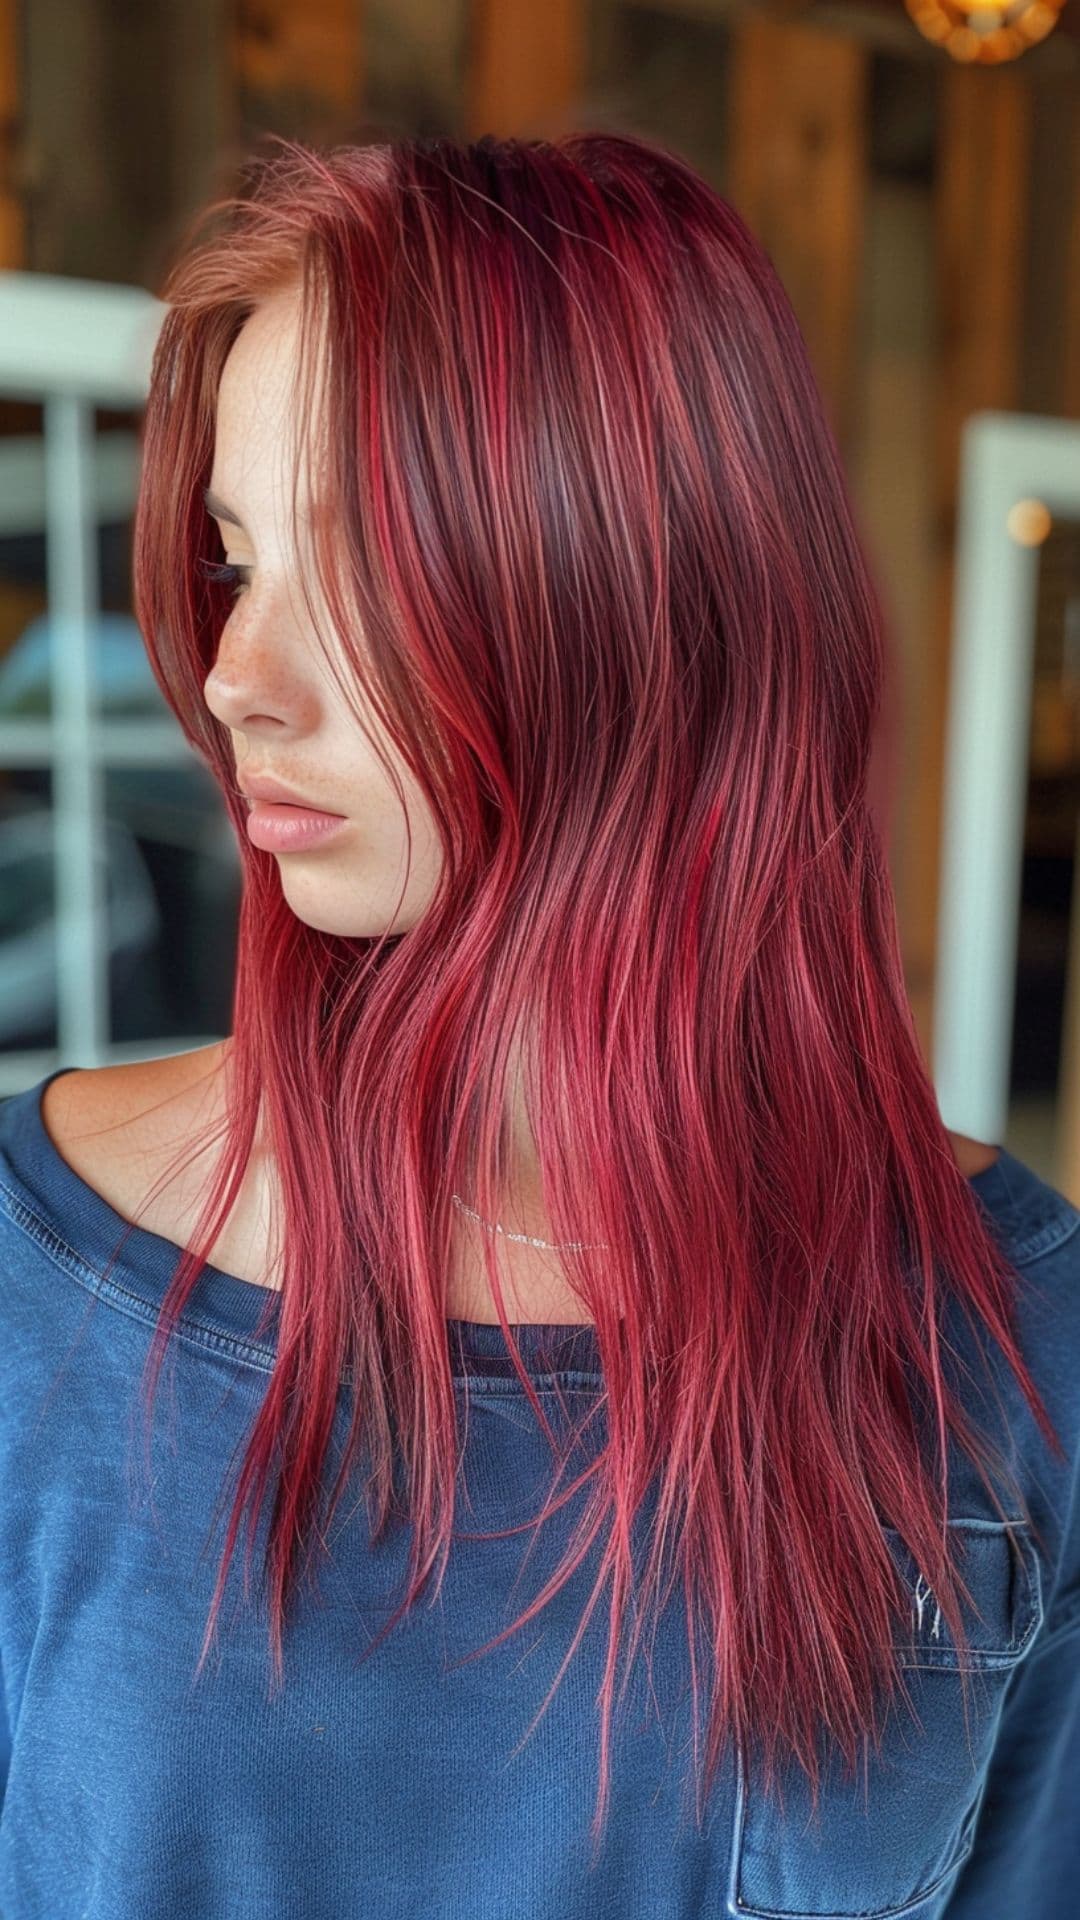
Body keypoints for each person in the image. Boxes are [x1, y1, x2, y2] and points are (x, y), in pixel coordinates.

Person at [1, 130, 1077, 1919]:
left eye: (351, 564)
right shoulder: (36, 1292)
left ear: (641, 594)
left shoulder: (1019, 1355)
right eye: (235, 558)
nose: (233, 677)